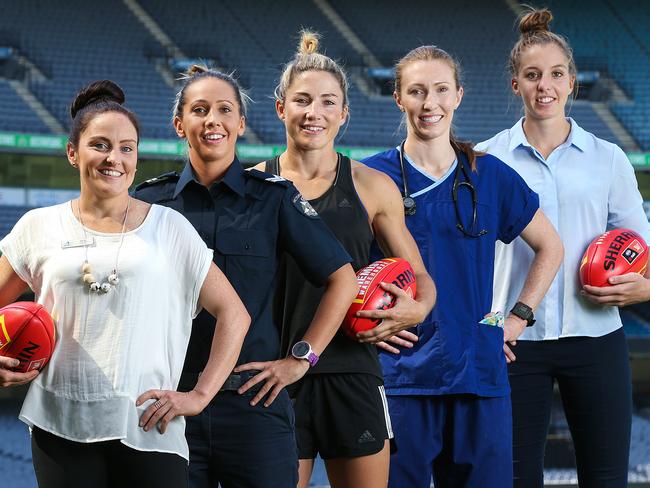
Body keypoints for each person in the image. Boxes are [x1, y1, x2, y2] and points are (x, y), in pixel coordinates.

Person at [0, 80, 251, 488]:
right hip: (60, 426)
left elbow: (234, 315)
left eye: (126, 148)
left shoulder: (169, 228)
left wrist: (199, 395)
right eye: (99, 145)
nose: (113, 158)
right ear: (72, 152)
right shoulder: (37, 227)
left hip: (149, 426)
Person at [134, 65, 358, 488]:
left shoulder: (273, 198)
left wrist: (300, 360)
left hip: (253, 403)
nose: (212, 120)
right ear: (180, 124)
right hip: (167, 402)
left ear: (240, 123)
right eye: (199, 110)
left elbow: (342, 279)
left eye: (224, 109)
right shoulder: (149, 204)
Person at [362, 45, 564, 487]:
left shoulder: (491, 175)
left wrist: (517, 318)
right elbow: (337, 269)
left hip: (479, 373)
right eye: (416, 91)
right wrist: (363, 328)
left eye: (440, 90)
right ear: (398, 98)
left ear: (458, 96)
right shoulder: (370, 179)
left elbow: (550, 246)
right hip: (400, 379)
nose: (429, 103)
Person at [243, 31, 436, 488]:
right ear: (280, 108)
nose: (315, 113)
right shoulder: (251, 188)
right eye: (303, 101)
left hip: (352, 371)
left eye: (328, 102)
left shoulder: (371, 186)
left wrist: (418, 307)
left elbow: (421, 276)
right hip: (274, 374)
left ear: (343, 114)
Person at [476, 8, 650, 488]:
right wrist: (491, 324)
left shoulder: (607, 158)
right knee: (512, 479)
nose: (545, 85)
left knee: (607, 477)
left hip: (595, 337)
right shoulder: (487, 159)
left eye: (555, 74)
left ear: (571, 82)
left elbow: (643, 246)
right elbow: (474, 259)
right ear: (516, 85)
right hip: (514, 343)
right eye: (532, 76)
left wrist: (642, 289)